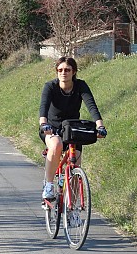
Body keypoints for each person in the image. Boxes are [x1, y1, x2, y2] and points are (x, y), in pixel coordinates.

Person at [39, 56, 107, 199]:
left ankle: (74, 210)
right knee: (56, 145)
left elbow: (92, 106)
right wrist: (44, 123)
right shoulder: (50, 86)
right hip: (52, 128)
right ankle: (49, 186)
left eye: (67, 70)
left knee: (76, 166)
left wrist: (100, 126)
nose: (63, 73)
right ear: (57, 72)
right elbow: (43, 108)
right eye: (60, 70)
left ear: (74, 72)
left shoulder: (80, 86)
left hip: (72, 130)